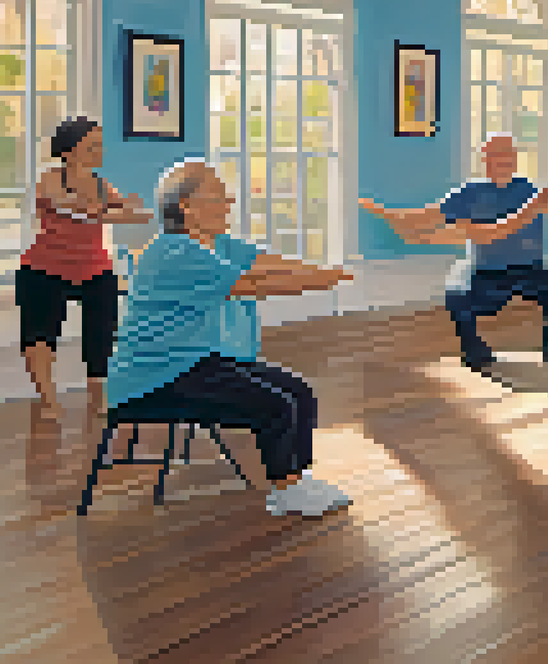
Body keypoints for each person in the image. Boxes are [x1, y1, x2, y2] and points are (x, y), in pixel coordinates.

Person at [107, 159, 353, 517]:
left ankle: (297, 481)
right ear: (186, 207)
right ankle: (284, 491)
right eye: (218, 196)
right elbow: (249, 284)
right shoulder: (174, 252)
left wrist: (324, 271)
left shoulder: (216, 244)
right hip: (158, 376)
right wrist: (322, 282)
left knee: (300, 391)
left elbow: (266, 262)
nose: (229, 203)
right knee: (277, 405)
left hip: (195, 361)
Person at [360, 135, 548, 368]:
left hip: (529, 268)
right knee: (456, 294)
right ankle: (475, 351)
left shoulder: (528, 188)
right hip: (485, 271)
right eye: (496, 155)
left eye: (508, 155)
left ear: (515, 159)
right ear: (484, 160)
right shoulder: (470, 192)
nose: (503, 160)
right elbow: (427, 215)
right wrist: (386, 214)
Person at [18, 117, 153, 421]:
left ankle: (100, 398)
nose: (99, 151)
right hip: (44, 266)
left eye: (99, 145)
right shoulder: (51, 177)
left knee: (103, 333)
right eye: (92, 145)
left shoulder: (101, 184)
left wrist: (106, 210)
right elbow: (65, 204)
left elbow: (138, 214)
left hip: (94, 266)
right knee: (41, 334)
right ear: (69, 150)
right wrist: (109, 210)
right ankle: (49, 400)